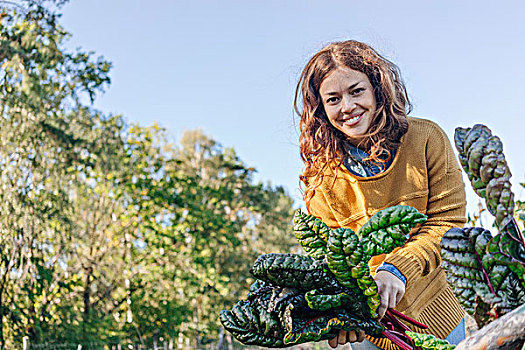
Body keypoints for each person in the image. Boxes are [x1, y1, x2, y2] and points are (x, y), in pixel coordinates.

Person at [294, 40, 467, 349]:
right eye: (333, 99)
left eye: (356, 91)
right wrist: (341, 316)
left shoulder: (426, 138)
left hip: (441, 318)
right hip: (374, 337)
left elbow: (449, 224)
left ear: (378, 89)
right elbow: (334, 265)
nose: (346, 107)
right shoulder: (320, 180)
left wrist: (396, 268)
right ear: (321, 108)